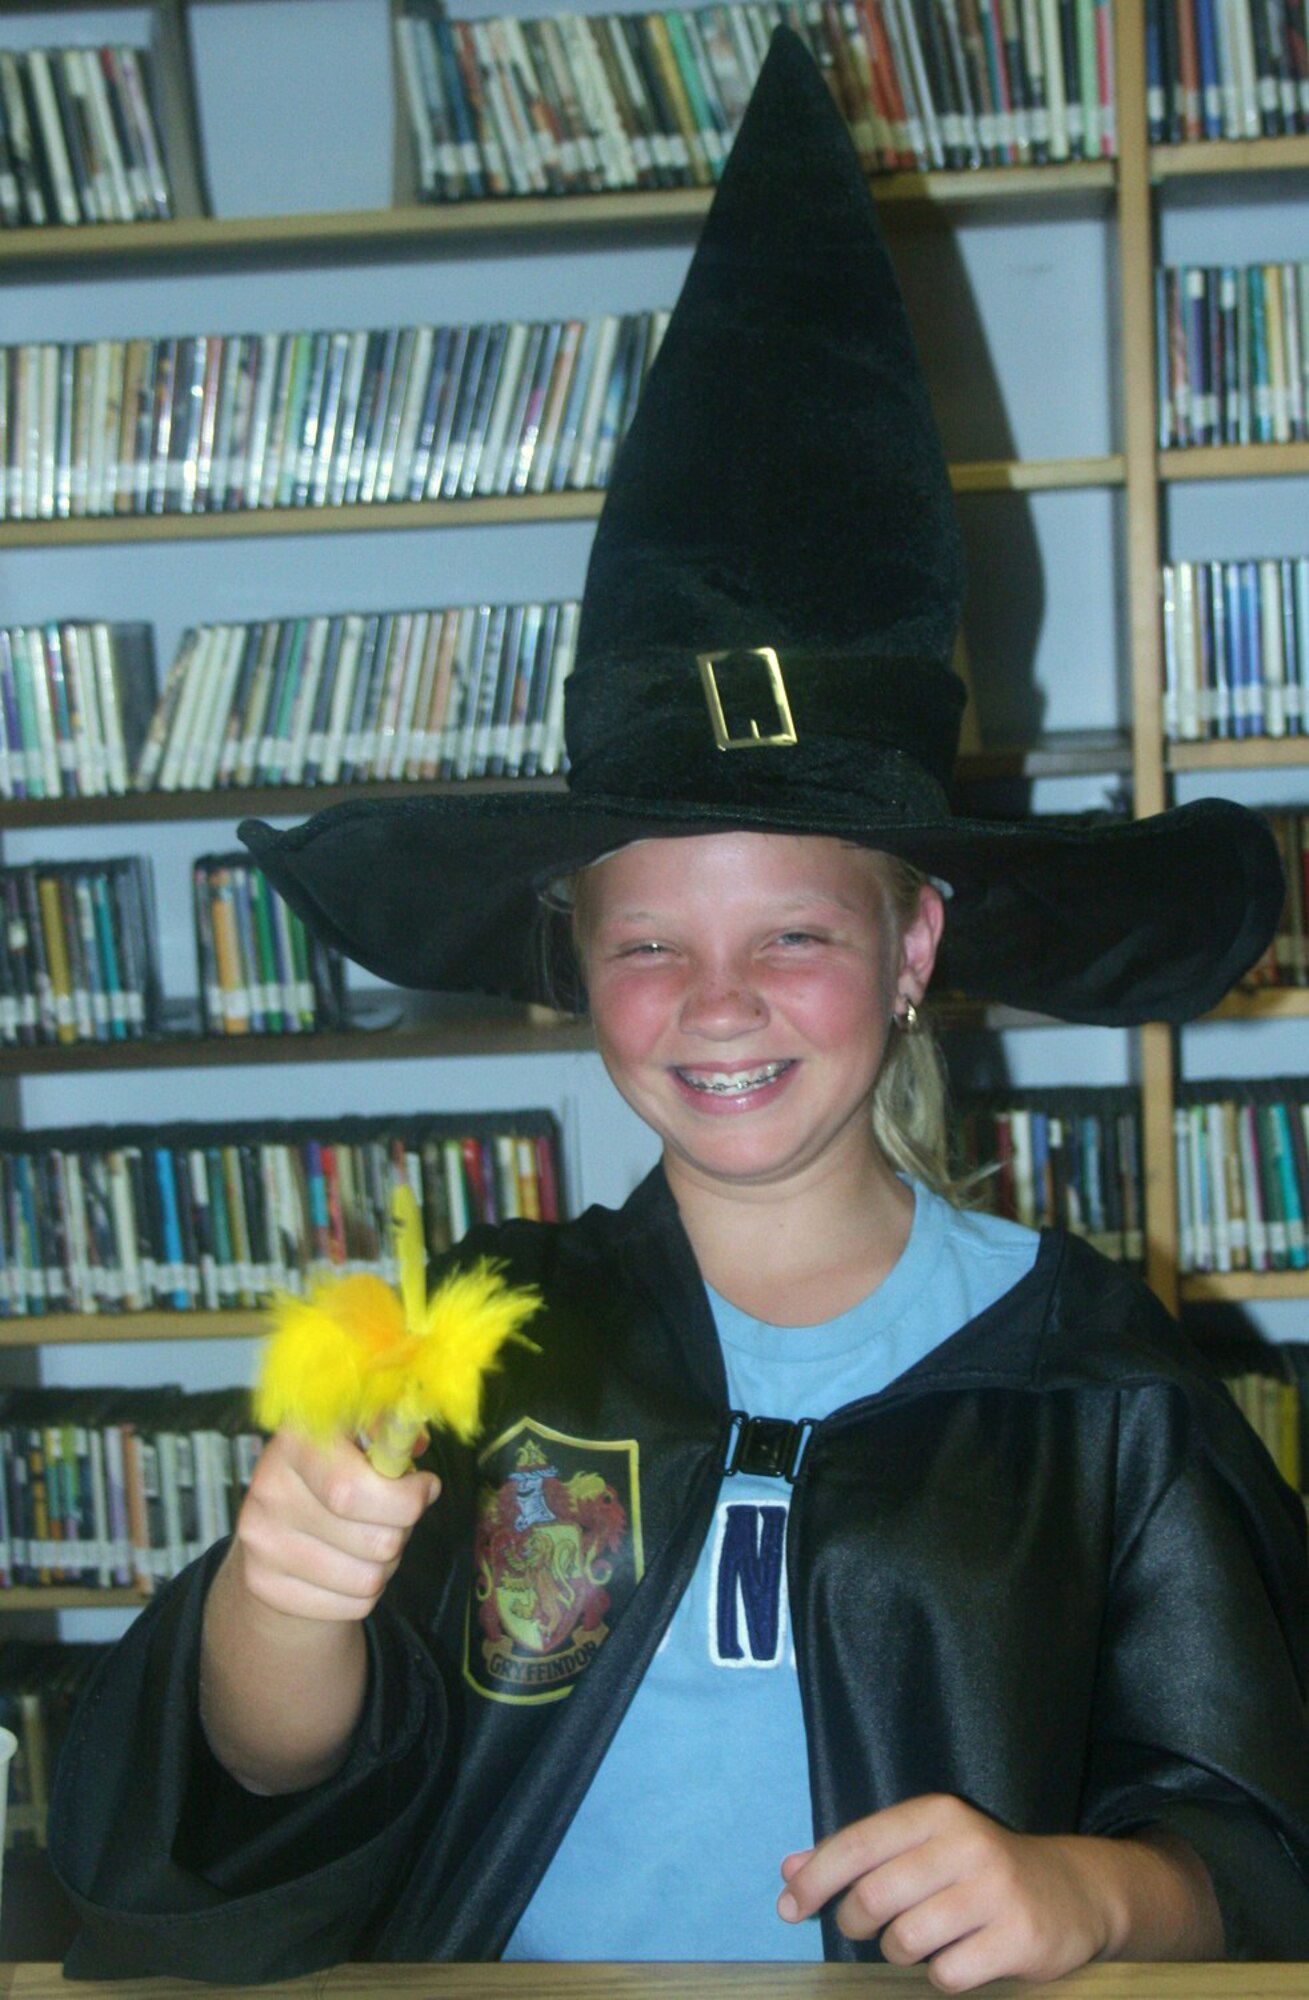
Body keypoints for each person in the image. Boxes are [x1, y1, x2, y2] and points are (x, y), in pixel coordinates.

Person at [50, 26, 1309, 1987]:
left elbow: (1252, 1825)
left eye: (794, 934)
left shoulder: (1093, 1386)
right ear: (577, 963)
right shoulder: (502, 1341)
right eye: (647, 940)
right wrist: (278, 1611)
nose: (714, 999)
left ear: (910, 952)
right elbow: (269, 1796)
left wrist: (1095, 1890)